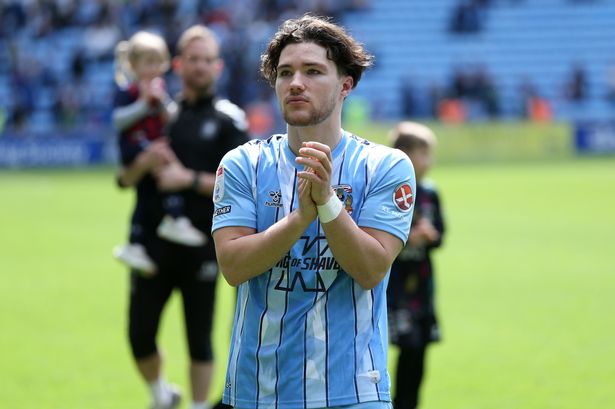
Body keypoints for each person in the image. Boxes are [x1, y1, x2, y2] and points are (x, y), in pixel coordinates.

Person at [211, 14, 416, 409]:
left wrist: (327, 203)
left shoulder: (386, 166)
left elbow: (371, 269)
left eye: (313, 71)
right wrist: (298, 218)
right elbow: (233, 267)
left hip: (354, 392)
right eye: (285, 72)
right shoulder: (243, 164)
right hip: (259, 393)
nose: (296, 83)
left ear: (345, 85)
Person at [117, 25, 250, 409]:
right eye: (193, 59)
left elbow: (243, 186)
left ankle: (195, 405)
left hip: (202, 246)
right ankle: (161, 395)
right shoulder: (160, 114)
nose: (200, 67)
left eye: (207, 60)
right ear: (177, 64)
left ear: (219, 67)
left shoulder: (230, 120)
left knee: (200, 337)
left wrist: (187, 180)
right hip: (152, 247)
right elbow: (124, 180)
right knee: (139, 333)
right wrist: (141, 163)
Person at [112, 30, 206, 275]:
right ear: (133, 65)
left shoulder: (160, 89)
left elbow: (171, 116)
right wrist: (144, 104)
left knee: (150, 191)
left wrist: (160, 100)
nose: (154, 69)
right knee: (166, 168)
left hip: (153, 145)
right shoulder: (128, 91)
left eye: (158, 63)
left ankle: (142, 238)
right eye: (148, 63)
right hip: (135, 146)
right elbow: (119, 121)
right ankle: (174, 219)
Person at [386, 122, 445, 409]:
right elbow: (378, 239)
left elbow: (441, 236)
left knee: (420, 351)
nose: (429, 162)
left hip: (423, 288)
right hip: (395, 289)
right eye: (424, 154)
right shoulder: (388, 190)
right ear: (405, 155)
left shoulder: (431, 194)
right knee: (404, 347)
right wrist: (408, 238)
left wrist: (430, 236)